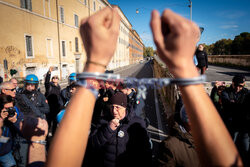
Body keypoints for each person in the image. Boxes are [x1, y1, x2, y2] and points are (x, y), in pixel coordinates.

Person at [46, 7, 242, 167]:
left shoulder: (138, 124)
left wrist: (95, 63)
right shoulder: (111, 125)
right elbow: (227, 161)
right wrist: (185, 70)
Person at [85, 92, 151, 167]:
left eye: (117, 107)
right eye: (112, 107)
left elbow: (145, 151)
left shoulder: (137, 122)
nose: (114, 111)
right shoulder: (103, 121)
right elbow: (92, 145)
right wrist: (108, 129)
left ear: (125, 108)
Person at [221, 75, 249, 164]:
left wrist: (235, 105)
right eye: (236, 85)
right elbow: (228, 106)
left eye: (241, 86)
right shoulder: (226, 92)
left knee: (245, 149)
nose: (238, 88)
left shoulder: (246, 93)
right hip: (231, 125)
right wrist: (241, 106)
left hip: (243, 126)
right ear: (232, 83)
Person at [0, 94, 23, 167]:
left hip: (6, 152)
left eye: (11, 108)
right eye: (7, 108)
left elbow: (22, 132)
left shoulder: (16, 113)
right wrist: (1, 120)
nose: (9, 111)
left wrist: (15, 122)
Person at [44, 67, 63, 135]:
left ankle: (54, 134)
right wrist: (49, 72)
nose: (55, 79)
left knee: (55, 122)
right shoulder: (49, 86)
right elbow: (46, 82)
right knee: (48, 122)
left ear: (58, 79)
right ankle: (46, 135)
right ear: (52, 79)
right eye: (54, 78)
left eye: (56, 78)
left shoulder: (59, 87)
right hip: (49, 107)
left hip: (56, 107)